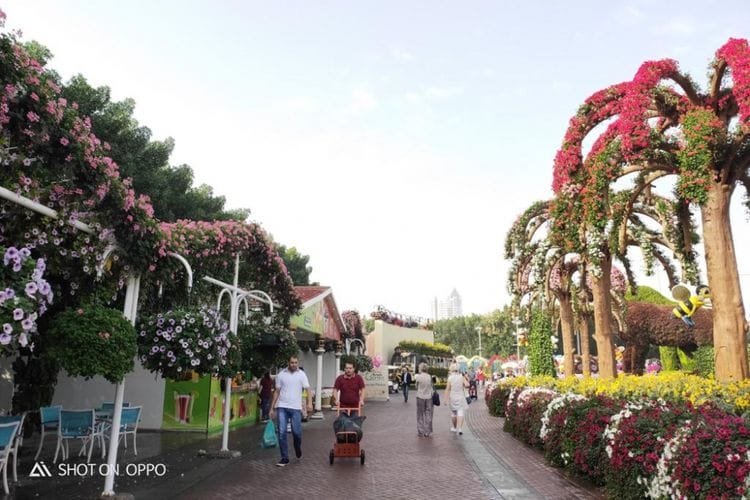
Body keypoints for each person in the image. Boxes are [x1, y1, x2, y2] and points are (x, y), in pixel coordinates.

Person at [269, 356, 313, 467]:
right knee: (281, 432)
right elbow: (277, 391)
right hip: (282, 406)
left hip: (296, 408)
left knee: (296, 433)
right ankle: (284, 458)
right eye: (292, 362)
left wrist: (309, 403)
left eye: (296, 362)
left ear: (298, 363)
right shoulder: (281, 375)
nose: (294, 364)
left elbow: (307, 389)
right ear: (288, 363)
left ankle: (297, 449)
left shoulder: (301, 374)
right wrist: (272, 407)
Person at [444, 363, 469, 435]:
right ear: (458, 369)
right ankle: (460, 429)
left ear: (451, 369)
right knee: (460, 412)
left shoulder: (450, 378)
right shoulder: (461, 377)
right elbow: (467, 385)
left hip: (453, 397)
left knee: (454, 413)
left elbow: (448, 389)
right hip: (460, 396)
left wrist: (445, 399)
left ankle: (454, 428)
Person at [415, 363, 433, 437]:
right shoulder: (429, 377)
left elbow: (416, 386)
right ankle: (427, 432)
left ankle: (420, 431)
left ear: (421, 368)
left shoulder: (418, 377)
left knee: (420, 414)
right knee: (428, 413)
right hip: (428, 397)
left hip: (420, 397)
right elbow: (431, 386)